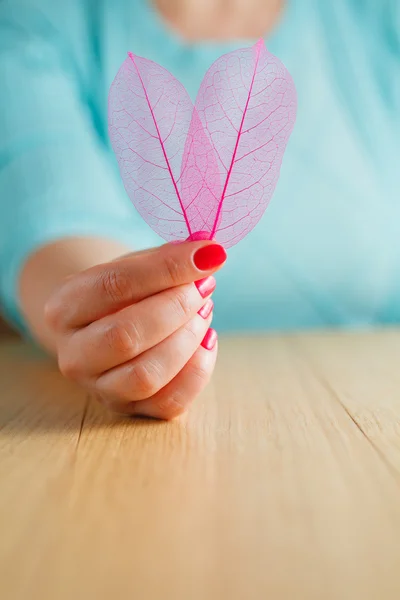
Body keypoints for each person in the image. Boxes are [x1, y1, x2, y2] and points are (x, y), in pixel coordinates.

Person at [0, 0, 399, 418]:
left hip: (369, 424)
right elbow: (52, 221)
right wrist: (114, 328)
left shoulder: (377, 16)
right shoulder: (37, 21)